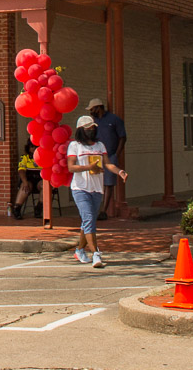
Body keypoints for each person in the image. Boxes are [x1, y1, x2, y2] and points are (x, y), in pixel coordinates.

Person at [66, 118, 128, 268]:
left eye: (92, 128)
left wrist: (119, 171)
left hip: (97, 189)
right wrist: (89, 167)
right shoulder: (74, 146)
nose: (91, 130)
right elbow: (71, 167)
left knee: (88, 222)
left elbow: (107, 163)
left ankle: (80, 250)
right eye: (87, 128)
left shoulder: (100, 145)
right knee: (88, 219)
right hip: (80, 188)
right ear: (81, 130)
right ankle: (96, 254)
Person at [88, 98, 128, 214]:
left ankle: (103, 210)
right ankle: (94, 208)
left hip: (110, 155)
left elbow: (123, 137)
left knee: (108, 183)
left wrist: (117, 153)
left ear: (99, 107)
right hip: (96, 155)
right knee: (95, 181)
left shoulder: (114, 119)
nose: (91, 112)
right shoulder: (93, 122)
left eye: (92, 109)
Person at [11, 141, 40, 220]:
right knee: (25, 187)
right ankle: (17, 209)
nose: (34, 149)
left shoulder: (43, 157)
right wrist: (25, 182)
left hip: (40, 180)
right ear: (28, 148)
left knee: (45, 186)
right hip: (28, 179)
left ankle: (39, 208)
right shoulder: (25, 157)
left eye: (36, 147)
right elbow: (21, 170)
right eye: (32, 147)